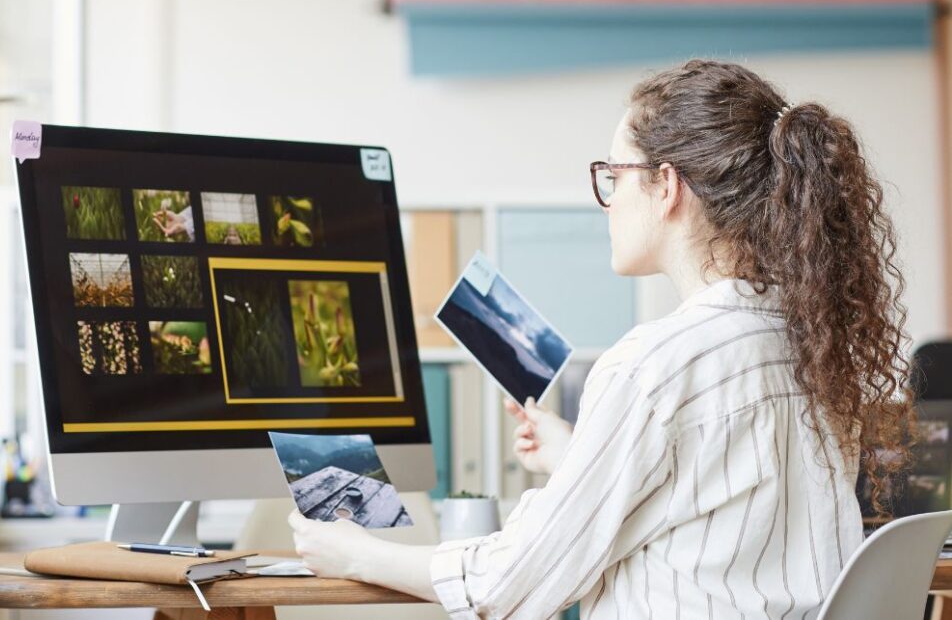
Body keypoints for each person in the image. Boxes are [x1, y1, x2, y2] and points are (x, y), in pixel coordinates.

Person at [288, 59, 914, 619]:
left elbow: (510, 581)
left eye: (613, 175)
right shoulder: (811, 345)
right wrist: (581, 455)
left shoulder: (655, 367)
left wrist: (357, 555)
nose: (607, 200)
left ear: (666, 186)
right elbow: (719, 505)